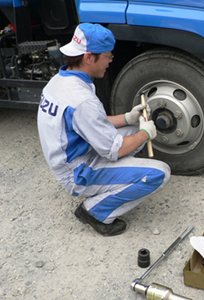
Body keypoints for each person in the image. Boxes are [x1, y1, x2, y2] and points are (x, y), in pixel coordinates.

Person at [37, 23, 171, 236]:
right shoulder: (82, 100)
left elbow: (92, 123)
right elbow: (114, 149)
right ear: (89, 57)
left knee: (134, 127)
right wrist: (145, 133)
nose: (110, 61)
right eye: (108, 56)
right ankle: (95, 211)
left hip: (73, 155)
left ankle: (116, 177)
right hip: (77, 173)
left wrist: (129, 117)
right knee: (159, 173)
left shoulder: (61, 81)